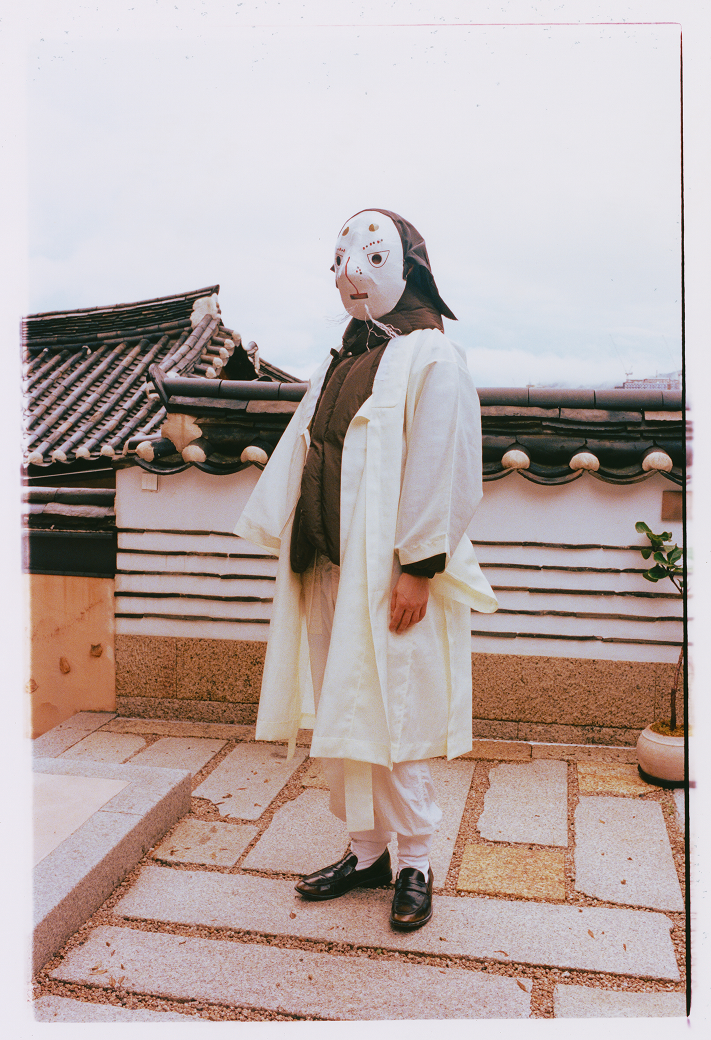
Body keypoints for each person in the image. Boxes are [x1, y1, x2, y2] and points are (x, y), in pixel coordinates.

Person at [234, 208, 497, 930]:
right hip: (326, 565)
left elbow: (444, 465)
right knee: (346, 709)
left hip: (387, 575)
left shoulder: (431, 356)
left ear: (409, 268)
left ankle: (414, 860)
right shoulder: (344, 355)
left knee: (393, 713)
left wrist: (419, 565)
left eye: (371, 256)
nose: (350, 270)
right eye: (343, 256)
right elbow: (307, 446)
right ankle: (365, 848)